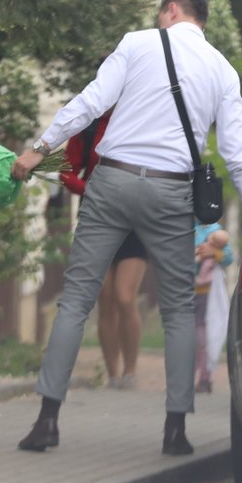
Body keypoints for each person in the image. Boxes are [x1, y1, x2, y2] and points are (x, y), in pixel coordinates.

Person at [11, 0, 242, 456]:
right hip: (172, 192)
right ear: (201, 21)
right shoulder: (223, 71)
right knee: (176, 312)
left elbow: (90, 102)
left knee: (76, 301)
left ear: (171, 10)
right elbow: (237, 150)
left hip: (112, 182)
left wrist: (40, 147)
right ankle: (175, 431)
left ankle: (47, 420)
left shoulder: (137, 42)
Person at [59, 111, 147, 390]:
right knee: (105, 298)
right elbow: (66, 172)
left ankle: (131, 371)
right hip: (95, 217)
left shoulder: (142, 120)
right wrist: (88, 188)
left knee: (124, 296)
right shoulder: (88, 129)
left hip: (134, 219)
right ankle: (113, 374)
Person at [193, 221, 233, 394]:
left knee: (202, 335)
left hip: (204, 293)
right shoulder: (183, 225)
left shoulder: (214, 229)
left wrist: (215, 252)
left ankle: (204, 376)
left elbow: (229, 257)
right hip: (185, 288)